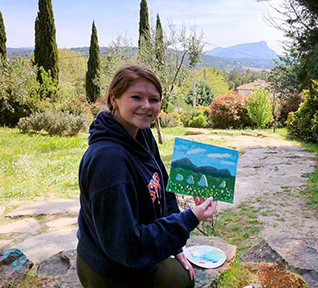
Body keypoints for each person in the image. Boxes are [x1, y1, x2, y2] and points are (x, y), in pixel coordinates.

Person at [76, 64, 217, 287]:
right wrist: (190, 218)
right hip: (111, 269)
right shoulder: (107, 160)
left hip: (134, 253)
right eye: (136, 97)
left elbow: (163, 185)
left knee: (183, 274)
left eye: (154, 99)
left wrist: (174, 245)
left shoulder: (142, 134)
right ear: (114, 99)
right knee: (183, 282)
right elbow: (125, 246)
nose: (146, 106)